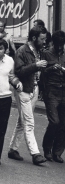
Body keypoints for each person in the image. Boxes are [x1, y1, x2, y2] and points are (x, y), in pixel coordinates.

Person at [8, 26, 48, 165]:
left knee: (22, 120)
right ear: (34, 38)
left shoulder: (39, 50)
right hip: (23, 90)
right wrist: (36, 66)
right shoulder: (21, 51)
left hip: (33, 89)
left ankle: (13, 149)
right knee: (29, 122)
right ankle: (35, 153)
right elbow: (19, 71)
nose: (44, 42)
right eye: (42, 39)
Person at [40, 30, 65, 163]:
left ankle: (57, 152)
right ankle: (47, 149)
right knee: (54, 121)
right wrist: (52, 68)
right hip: (52, 92)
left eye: (62, 45)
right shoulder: (47, 54)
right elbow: (42, 73)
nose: (60, 48)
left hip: (64, 91)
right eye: (58, 45)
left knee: (63, 124)